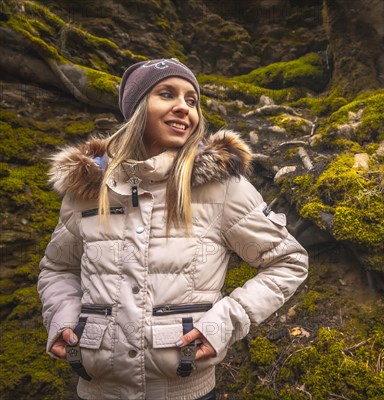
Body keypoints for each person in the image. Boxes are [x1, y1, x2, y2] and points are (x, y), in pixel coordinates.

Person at [37, 58, 309, 400]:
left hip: (185, 389)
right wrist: (64, 317)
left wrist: (224, 323)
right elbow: (58, 268)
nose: (183, 108)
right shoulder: (89, 188)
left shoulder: (220, 186)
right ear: (137, 109)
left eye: (191, 101)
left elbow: (288, 261)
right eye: (167, 94)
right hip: (96, 390)